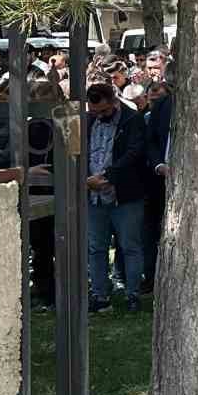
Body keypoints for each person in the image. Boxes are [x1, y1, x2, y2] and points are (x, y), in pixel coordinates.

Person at [83, 83, 150, 312]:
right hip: (94, 196)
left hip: (125, 195)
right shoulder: (88, 121)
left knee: (130, 245)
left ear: (114, 101)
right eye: (95, 111)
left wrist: (108, 176)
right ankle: (100, 295)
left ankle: (133, 295)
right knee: (96, 247)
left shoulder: (132, 120)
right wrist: (87, 179)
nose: (100, 116)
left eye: (103, 111)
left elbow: (134, 153)